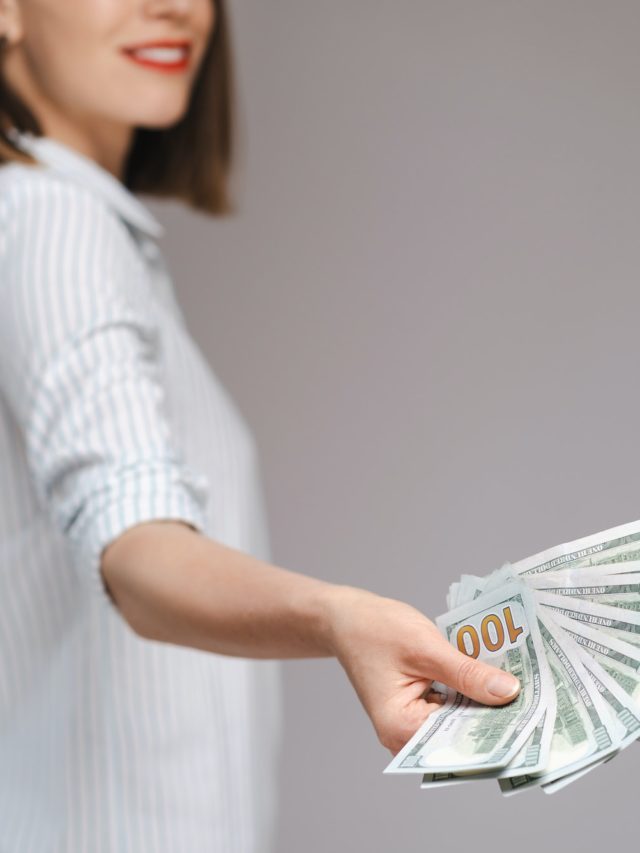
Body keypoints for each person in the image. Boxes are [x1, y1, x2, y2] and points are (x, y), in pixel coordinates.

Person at [0, 1, 521, 850]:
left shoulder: (67, 226)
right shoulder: (54, 222)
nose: (172, 5)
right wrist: (335, 614)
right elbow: (135, 546)